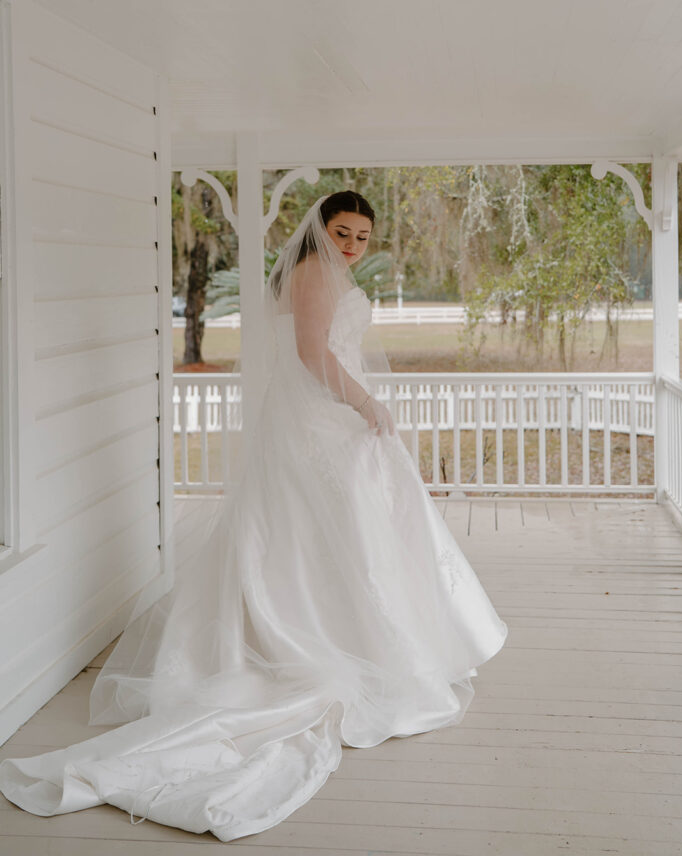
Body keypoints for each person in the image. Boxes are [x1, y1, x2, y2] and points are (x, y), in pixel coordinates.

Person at [0, 191, 507, 841]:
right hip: (322, 421)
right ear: (319, 231)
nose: (352, 245)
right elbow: (313, 353)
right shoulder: (314, 273)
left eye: (362, 236)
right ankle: (324, 642)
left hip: (319, 420)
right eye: (343, 231)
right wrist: (366, 404)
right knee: (335, 539)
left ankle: (344, 633)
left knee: (338, 540)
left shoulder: (324, 271)